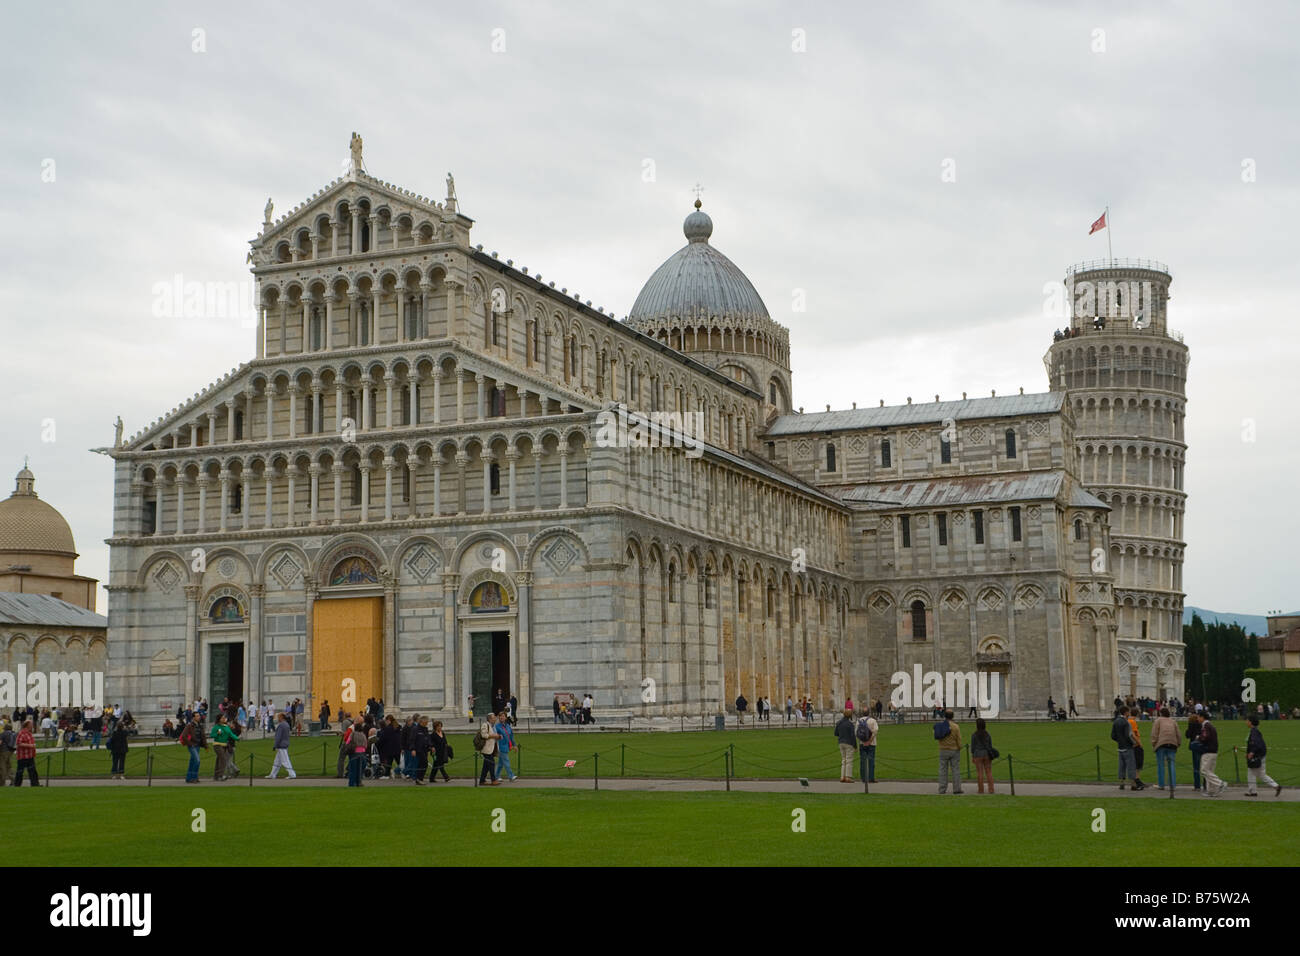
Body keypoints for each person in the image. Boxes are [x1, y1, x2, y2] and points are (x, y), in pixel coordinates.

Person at [1243, 716, 1281, 797]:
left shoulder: (1253, 732)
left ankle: (1252, 791)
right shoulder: (1255, 731)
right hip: (1261, 755)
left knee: (1251, 773)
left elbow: (1256, 744)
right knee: (1260, 774)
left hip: (1257, 756)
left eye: (1247, 720)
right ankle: (1276, 786)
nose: (1246, 722)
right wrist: (1249, 752)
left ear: (1251, 722)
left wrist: (1251, 753)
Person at [1112, 705, 1142, 790]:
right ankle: (1133, 784)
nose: (1129, 713)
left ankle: (1121, 783)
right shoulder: (1126, 722)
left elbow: (1113, 736)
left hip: (1120, 746)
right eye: (1128, 712)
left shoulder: (1116, 721)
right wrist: (1133, 743)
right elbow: (1128, 735)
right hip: (1128, 747)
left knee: (1121, 766)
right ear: (1126, 712)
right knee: (1131, 765)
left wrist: (1119, 741)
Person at [1151, 707, 1180, 791]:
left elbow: (1154, 733)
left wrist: (1153, 743)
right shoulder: (1173, 721)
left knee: (1161, 765)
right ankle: (1172, 785)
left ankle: (1161, 784)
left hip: (1161, 744)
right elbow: (1178, 733)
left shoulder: (1158, 721)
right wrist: (1178, 743)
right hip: (1172, 744)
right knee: (1171, 765)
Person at [1198, 713, 1227, 797]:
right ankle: (1211, 790)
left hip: (1208, 751)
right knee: (1209, 771)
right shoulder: (1210, 726)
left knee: (1204, 770)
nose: (1198, 719)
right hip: (1214, 751)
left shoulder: (1206, 726)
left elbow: (1205, 737)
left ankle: (1220, 783)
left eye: (1198, 717)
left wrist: (1198, 738)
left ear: (1202, 717)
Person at [936, 710, 962, 793]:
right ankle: (957, 789)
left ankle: (942, 789)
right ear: (952, 717)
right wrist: (959, 747)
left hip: (943, 749)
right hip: (954, 750)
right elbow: (959, 739)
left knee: (943, 770)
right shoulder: (956, 726)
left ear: (945, 716)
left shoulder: (941, 726)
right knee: (955, 770)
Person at [265, 712, 296, 779]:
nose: (277, 718)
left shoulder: (281, 725)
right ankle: (273, 774)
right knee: (277, 762)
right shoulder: (286, 724)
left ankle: (292, 774)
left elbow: (278, 737)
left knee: (285, 761)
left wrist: (275, 745)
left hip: (281, 745)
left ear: (281, 717)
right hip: (284, 744)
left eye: (278, 717)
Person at [969, 717, 995, 793]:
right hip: (986, 754)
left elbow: (973, 747)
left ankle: (981, 790)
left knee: (980, 773)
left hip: (977, 754)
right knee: (989, 772)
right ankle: (991, 789)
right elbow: (990, 745)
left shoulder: (974, 735)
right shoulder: (987, 734)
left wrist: (973, 756)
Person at [210, 714, 239, 781]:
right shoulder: (216, 727)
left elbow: (231, 734)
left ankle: (216, 776)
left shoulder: (226, 727)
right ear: (219, 719)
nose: (224, 719)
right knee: (223, 759)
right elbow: (212, 735)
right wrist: (217, 733)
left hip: (224, 745)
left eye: (224, 718)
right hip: (217, 745)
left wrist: (237, 738)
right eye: (222, 718)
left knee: (219, 760)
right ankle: (221, 775)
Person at [478, 713, 502, 785]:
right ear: (490, 719)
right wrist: (494, 735)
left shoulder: (493, 726)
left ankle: (482, 780)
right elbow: (484, 735)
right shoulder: (485, 725)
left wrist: (498, 736)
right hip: (486, 749)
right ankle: (493, 780)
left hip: (492, 748)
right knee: (491, 764)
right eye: (494, 717)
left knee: (486, 766)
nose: (495, 719)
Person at [12, 720, 38, 787]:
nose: (32, 725)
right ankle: (17, 785)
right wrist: (30, 745)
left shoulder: (29, 733)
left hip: (30, 755)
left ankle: (35, 784)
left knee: (33, 771)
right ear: (27, 725)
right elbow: (18, 743)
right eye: (31, 724)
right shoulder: (22, 733)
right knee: (20, 772)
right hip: (23, 756)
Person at [855, 711, 878, 784]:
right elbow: (875, 731)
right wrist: (869, 741)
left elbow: (856, 733)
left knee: (862, 761)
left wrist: (863, 741)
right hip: (872, 744)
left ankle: (863, 778)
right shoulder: (872, 720)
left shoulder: (858, 721)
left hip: (862, 744)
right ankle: (871, 778)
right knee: (871, 761)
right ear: (869, 713)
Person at [833, 710, 856, 783]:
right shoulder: (850, 724)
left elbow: (836, 733)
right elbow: (853, 736)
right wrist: (855, 746)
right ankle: (848, 777)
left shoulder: (839, 723)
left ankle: (842, 776)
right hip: (849, 742)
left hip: (841, 742)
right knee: (849, 760)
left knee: (843, 760)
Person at [495, 712, 518, 781]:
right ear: (499, 718)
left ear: (505, 717)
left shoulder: (508, 726)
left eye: (503, 716)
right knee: (506, 761)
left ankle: (496, 776)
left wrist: (514, 745)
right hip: (500, 746)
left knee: (501, 763)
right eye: (500, 716)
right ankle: (511, 776)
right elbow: (495, 736)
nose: (501, 717)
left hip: (507, 746)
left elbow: (511, 737)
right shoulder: (497, 726)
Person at [1127, 709, 1146, 789]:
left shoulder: (1128, 721)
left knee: (1134, 763)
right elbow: (1133, 734)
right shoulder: (1132, 722)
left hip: (1131, 745)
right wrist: (1139, 743)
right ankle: (1136, 780)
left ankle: (1135, 782)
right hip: (1135, 745)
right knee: (1138, 764)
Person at [410, 716, 432, 785]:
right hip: (418, 749)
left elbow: (427, 739)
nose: (427, 724)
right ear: (422, 722)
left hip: (425, 749)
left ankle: (419, 779)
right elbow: (412, 740)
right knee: (424, 763)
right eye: (426, 722)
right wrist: (413, 749)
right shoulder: (415, 729)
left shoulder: (425, 729)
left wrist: (430, 746)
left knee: (422, 764)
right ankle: (419, 778)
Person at [345, 721, 367, 787]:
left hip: (354, 753)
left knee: (353, 770)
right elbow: (365, 745)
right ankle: (359, 782)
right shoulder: (363, 735)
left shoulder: (353, 734)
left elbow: (347, 742)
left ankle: (352, 783)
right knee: (360, 770)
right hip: (362, 753)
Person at [0, 720, 13, 785]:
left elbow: (0, 742)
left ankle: (2, 782)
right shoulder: (13, 733)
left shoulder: (3, 733)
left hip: (3, 751)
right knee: (9, 767)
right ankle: (13, 780)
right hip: (10, 751)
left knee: (2, 767)